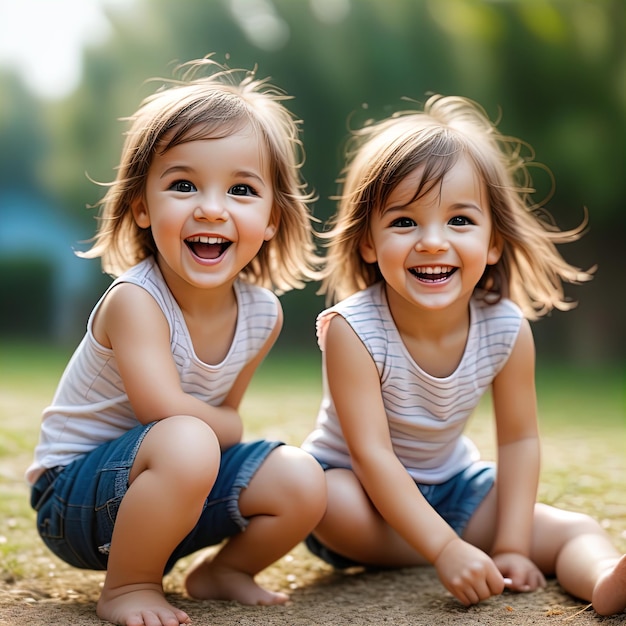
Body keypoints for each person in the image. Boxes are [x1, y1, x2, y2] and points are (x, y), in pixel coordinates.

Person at [26, 56, 327, 626]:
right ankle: (129, 586)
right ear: (142, 206)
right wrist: (227, 429)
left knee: (303, 477)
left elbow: (224, 418)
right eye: (183, 184)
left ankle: (224, 572)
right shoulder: (136, 301)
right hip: (74, 499)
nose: (211, 207)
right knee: (188, 438)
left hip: (178, 484)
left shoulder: (262, 314)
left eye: (241, 189)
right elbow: (166, 412)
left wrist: (227, 429)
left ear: (271, 219)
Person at [302, 94, 626, 616]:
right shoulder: (353, 329)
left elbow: (519, 440)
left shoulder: (506, 328)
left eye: (460, 221)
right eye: (404, 222)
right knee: (318, 493)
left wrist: (515, 545)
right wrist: (445, 548)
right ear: (367, 243)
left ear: (494, 242)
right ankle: (444, 553)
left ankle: (606, 580)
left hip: (455, 491)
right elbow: (371, 454)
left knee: (575, 529)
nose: (433, 242)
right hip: (358, 501)